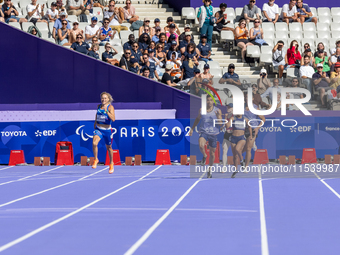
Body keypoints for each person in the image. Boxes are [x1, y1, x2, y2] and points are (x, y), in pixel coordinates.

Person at [189, 95, 222, 178]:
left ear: (213, 101)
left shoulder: (217, 110)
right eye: (208, 100)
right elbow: (197, 119)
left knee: (212, 153)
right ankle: (204, 155)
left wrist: (218, 116)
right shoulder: (202, 110)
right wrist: (192, 129)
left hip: (213, 133)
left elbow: (221, 124)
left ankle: (210, 170)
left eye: (211, 100)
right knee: (201, 145)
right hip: (204, 132)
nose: (209, 102)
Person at [92, 92, 115, 174]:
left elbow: (113, 119)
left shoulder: (110, 107)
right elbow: (97, 115)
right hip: (99, 129)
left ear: (108, 99)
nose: (103, 100)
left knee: (109, 148)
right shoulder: (98, 106)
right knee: (94, 143)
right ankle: (95, 159)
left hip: (107, 130)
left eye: (105, 98)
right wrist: (95, 123)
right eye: (102, 98)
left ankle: (111, 163)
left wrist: (107, 112)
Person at [242, 100, 266, 170]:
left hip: (252, 129)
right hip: (243, 129)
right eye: (246, 97)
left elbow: (263, 119)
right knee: (241, 149)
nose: (247, 98)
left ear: (252, 98)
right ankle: (241, 160)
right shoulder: (241, 107)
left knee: (248, 149)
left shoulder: (255, 108)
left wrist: (257, 128)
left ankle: (246, 167)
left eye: (249, 97)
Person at [222, 103, 233, 168]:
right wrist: (223, 126)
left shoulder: (236, 115)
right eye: (227, 107)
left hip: (234, 134)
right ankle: (224, 166)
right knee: (224, 150)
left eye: (229, 107)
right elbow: (226, 125)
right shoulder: (227, 115)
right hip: (227, 134)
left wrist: (225, 118)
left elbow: (228, 125)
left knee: (236, 151)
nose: (227, 108)